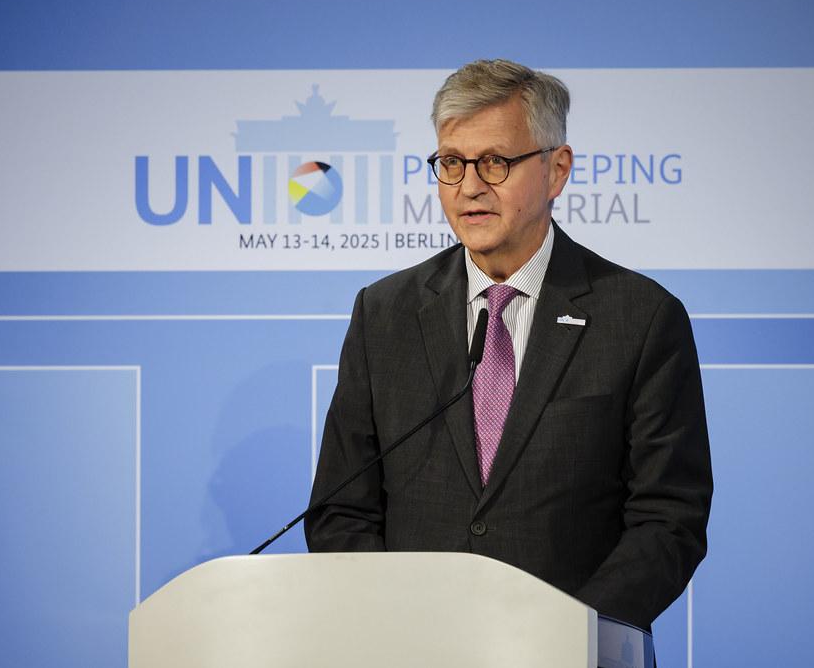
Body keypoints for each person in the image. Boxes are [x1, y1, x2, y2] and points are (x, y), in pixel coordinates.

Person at [305, 59, 712, 631]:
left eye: (495, 162)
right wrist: (392, 624)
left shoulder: (640, 317)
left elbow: (668, 519)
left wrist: (573, 632)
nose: (469, 186)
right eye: (451, 163)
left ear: (556, 170)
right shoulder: (385, 313)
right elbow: (340, 510)